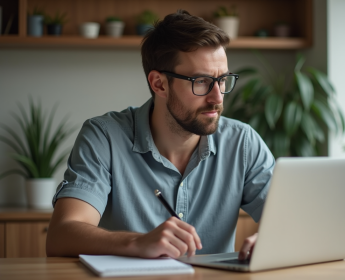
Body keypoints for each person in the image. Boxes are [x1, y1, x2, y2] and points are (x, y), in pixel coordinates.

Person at [46, 10, 275, 260]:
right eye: (201, 81)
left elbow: (293, 218)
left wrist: (273, 237)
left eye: (222, 80)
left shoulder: (242, 143)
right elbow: (61, 235)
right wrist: (137, 242)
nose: (218, 97)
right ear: (159, 84)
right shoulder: (104, 137)